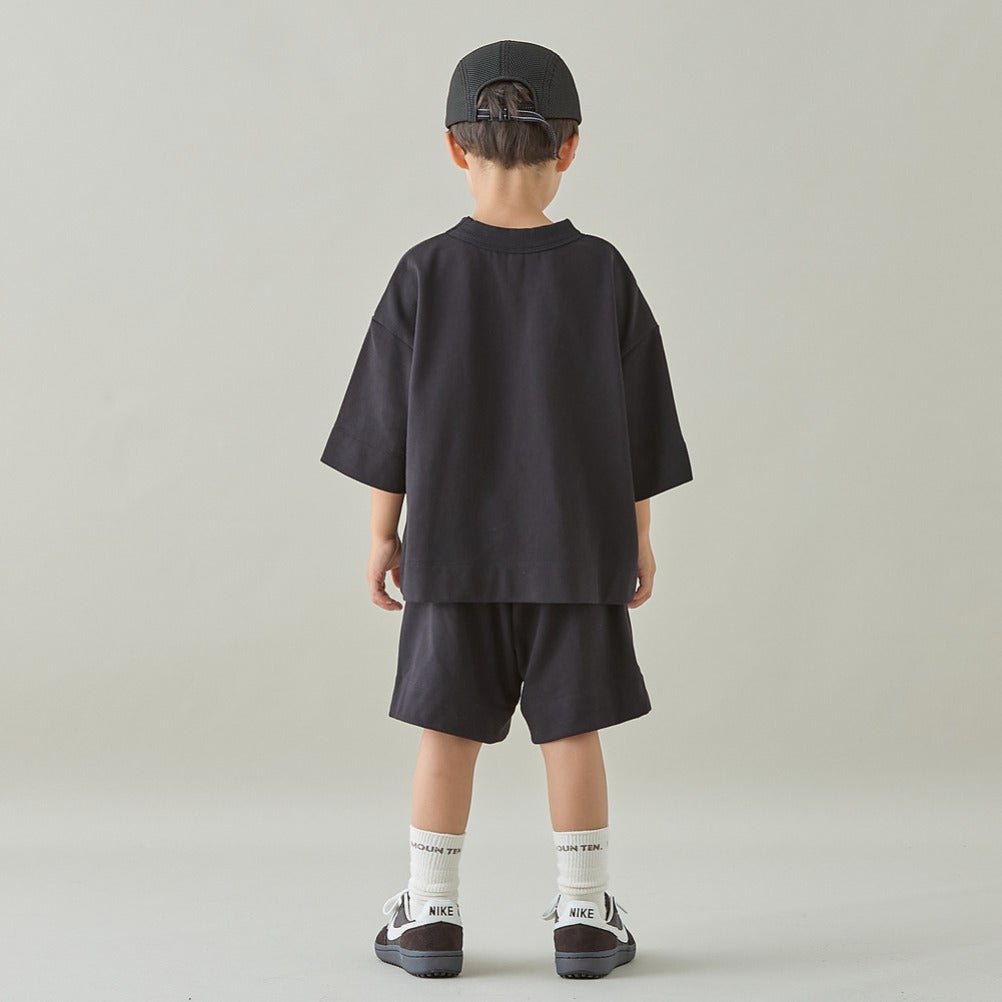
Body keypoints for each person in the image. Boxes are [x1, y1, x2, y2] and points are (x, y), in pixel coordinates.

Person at [319, 38, 693, 980]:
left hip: (452, 557)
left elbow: (388, 422)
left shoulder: (423, 272)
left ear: (454, 147)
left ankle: (430, 916)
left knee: (447, 731)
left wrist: (383, 535)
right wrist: (639, 540)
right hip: (577, 554)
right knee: (572, 729)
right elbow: (641, 421)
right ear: (571, 145)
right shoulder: (603, 273)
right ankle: (584, 918)